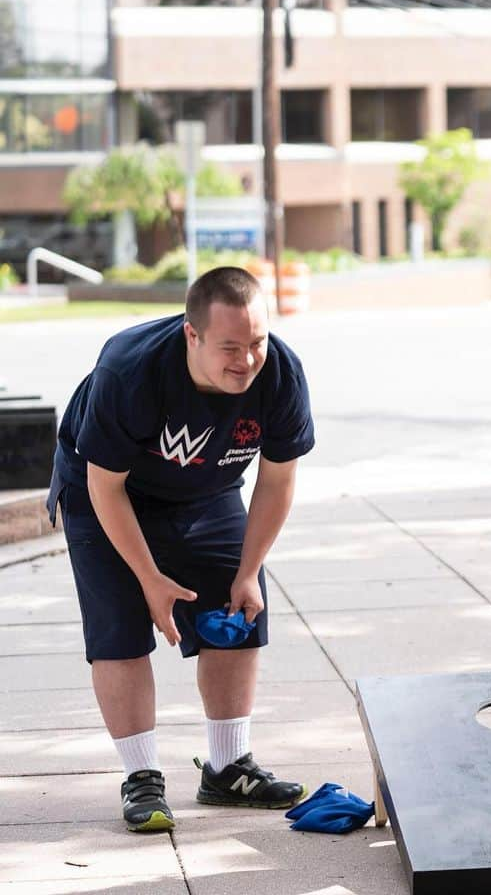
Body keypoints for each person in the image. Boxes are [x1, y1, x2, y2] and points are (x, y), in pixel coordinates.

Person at [47, 266, 315, 833]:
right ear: (192, 336)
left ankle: (227, 768)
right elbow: (105, 486)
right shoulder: (131, 369)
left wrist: (249, 570)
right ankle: (142, 778)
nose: (247, 360)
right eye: (230, 347)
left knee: (238, 611)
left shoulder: (281, 373)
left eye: (257, 342)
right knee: (119, 629)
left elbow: (276, 480)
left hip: (208, 487)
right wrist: (148, 578)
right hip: (107, 490)